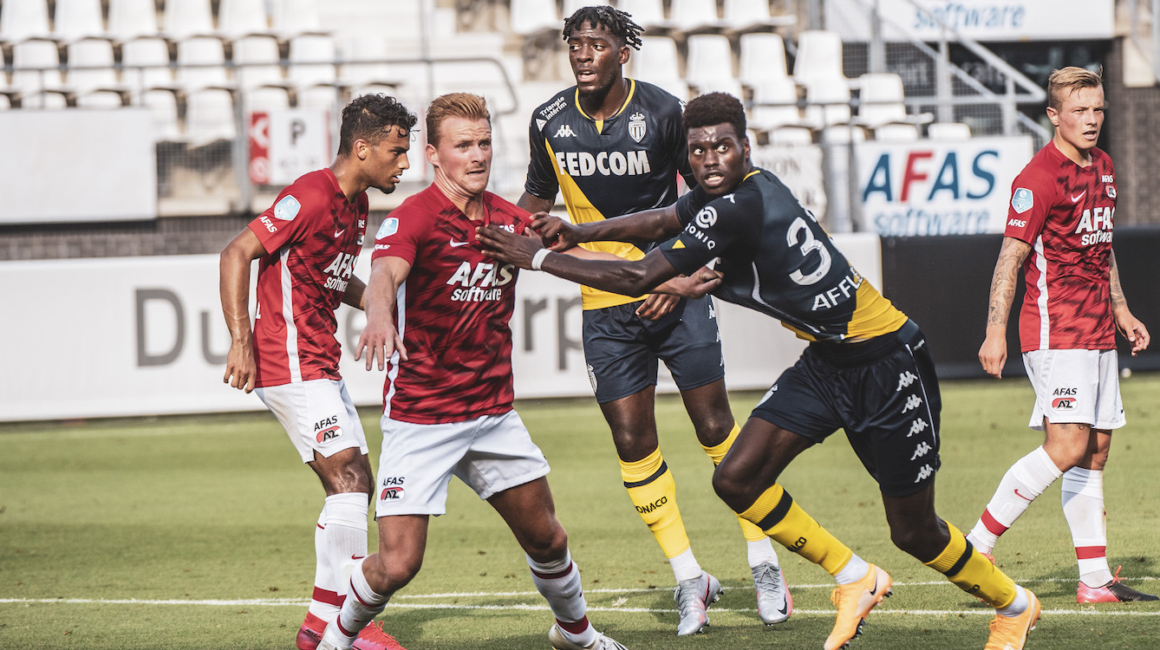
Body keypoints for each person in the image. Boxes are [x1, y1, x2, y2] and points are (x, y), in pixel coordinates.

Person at [479, 92, 1042, 650]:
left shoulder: (734, 208)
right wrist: (583, 232)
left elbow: (638, 277)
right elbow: (667, 216)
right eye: (698, 150)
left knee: (914, 531)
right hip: (827, 362)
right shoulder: (744, 190)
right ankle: (854, 577)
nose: (710, 159)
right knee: (736, 479)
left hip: (887, 361)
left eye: (723, 147)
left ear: (745, 147)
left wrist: (536, 257)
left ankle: (1014, 606)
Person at [315, 93, 627, 650]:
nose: (478, 155)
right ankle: (333, 639)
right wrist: (379, 316)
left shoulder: (510, 221)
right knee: (398, 564)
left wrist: (665, 275)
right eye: (463, 145)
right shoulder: (413, 216)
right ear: (434, 154)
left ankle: (577, 636)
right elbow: (383, 274)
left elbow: (582, 262)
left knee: (548, 539)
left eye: (484, 142)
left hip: (491, 416)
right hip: (421, 418)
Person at [519, 7, 789, 634]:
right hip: (605, 302)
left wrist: (677, 274)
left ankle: (763, 559)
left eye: (595, 44)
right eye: (574, 44)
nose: (582, 54)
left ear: (623, 53)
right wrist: (498, 230)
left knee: (716, 427)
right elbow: (534, 201)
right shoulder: (548, 120)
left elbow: (704, 200)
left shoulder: (666, 112)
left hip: (678, 290)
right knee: (633, 442)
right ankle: (690, 577)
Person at [219, 94, 415, 650]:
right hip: (288, 358)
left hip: (317, 359)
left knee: (355, 483)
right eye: (397, 152)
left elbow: (332, 275)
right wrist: (241, 341)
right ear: (362, 149)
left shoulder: (357, 204)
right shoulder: (309, 194)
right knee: (349, 479)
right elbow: (236, 253)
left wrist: (381, 305)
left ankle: (320, 625)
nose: (405, 164)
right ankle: (348, 626)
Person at [969, 67, 1155, 604]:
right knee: (1068, 444)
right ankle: (977, 543)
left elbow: (1102, 245)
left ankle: (1094, 580)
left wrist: (1122, 309)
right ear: (1054, 115)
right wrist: (994, 332)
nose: (1092, 119)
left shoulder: (1105, 167)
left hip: (1097, 329)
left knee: (1095, 449)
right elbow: (1010, 259)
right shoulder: (1036, 179)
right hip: (1055, 329)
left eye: (1097, 109)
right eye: (1079, 110)